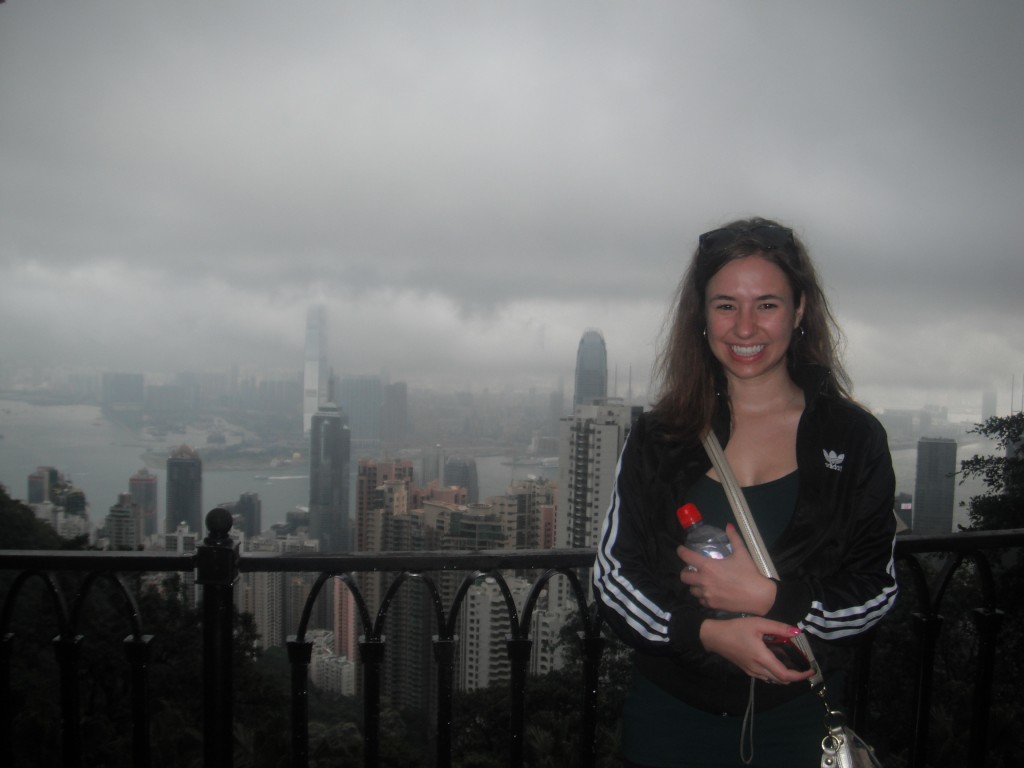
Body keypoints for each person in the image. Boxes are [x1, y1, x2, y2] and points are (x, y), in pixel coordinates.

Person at [592, 217, 898, 767]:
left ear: (800, 310)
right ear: (701, 316)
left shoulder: (851, 439)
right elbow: (614, 579)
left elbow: (875, 591)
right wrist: (705, 633)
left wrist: (769, 599)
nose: (745, 328)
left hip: (798, 726)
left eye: (768, 304)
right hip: (671, 723)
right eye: (726, 304)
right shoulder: (661, 435)